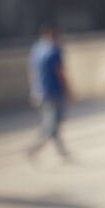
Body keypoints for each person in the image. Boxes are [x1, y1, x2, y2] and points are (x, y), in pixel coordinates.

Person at [26, 23, 73, 160]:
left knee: (52, 122)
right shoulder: (55, 51)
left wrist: (33, 90)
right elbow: (61, 73)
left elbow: (32, 70)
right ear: (55, 35)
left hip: (41, 91)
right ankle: (34, 149)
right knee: (53, 124)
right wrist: (70, 92)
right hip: (54, 91)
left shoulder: (37, 48)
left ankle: (62, 152)